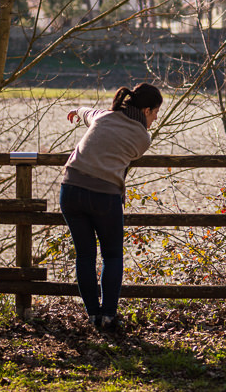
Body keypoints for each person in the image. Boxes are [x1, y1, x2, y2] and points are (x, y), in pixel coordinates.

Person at [60, 82, 163, 333]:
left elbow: (87, 113)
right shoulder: (143, 138)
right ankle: (108, 315)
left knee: (85, 255)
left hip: (70, 188)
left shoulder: (103, 117)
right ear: (147, 110)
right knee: (112, 255)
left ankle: (92, 315)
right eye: (156, 113)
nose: (156, 118)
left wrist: (77, 109)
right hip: (104, 195)